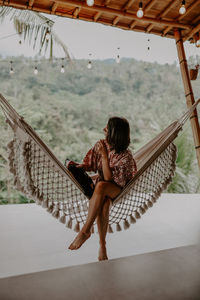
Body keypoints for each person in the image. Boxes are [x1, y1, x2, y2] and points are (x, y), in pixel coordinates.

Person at [68, 117, 137, 261]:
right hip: (103, 188)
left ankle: (85, 231)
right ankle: (102, 246)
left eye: (107, 127)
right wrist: (78, 168)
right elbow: (90, 164)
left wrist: (104, 156)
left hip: (119, 188)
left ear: (114, 133)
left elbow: (108, 180)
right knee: (104, 206)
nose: (103, 129)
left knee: (101, 185)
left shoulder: (126, 157)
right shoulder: (101, 144)